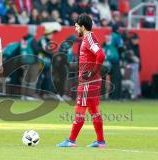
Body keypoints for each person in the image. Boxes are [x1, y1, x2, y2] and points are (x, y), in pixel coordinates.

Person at [57, 13, 106, 148]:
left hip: (88, 82)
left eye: (77, 26)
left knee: (79, 109)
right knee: (94, 111)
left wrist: (93, 72)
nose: (75, 29)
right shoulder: (88, 39)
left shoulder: (89, 38)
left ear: (83, 27)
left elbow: (101, 54)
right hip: (92, 81)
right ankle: (101, 141)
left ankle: (71, 140)